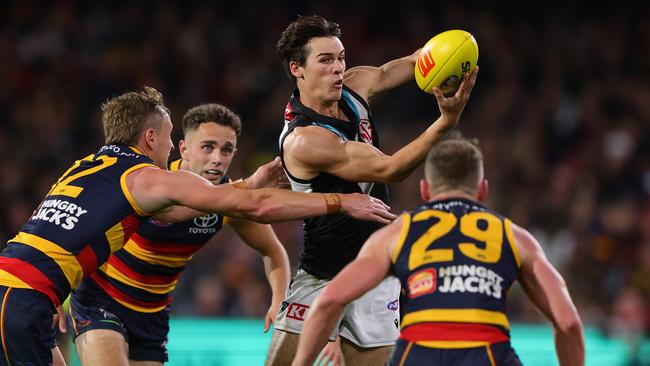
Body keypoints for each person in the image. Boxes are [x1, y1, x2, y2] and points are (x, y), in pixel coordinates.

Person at [0, 86, 395, 366]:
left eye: (227, 149)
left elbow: (171, 214)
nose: (171, 147)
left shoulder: (90, 166)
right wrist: (339, 201)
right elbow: (252, 205)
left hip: (73, 299)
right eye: (173, 140)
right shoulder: (152, 179)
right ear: (155, 139)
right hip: (76, 300)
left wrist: (54, 297)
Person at [267, 15, 478, 365]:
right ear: (297, 69)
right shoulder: (305, 139)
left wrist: (454, 54)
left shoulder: (355, 85)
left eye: (341, 57)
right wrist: (446, 123)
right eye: (325, 60)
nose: (338, 68)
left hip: (376, 271)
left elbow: (412, 63)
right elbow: (391, 168)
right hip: (324, 274)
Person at [292, 137, 586, 366]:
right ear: (482, 190)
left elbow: (329, 301)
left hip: (419, 355)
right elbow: (569, 322)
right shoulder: (514, 236)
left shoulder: (397, 233)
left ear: (425, 190)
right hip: (489, 354)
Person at [66, 103, 291, 365]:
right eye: (207, 147)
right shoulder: (152, 178)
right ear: (183, 149)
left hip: (152, 314)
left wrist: (279, 300)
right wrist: (55, 291)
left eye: (226, 150)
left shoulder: (231, 201)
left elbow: (273, 251)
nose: (217, 158)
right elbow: (81, 229)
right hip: (102, 298)